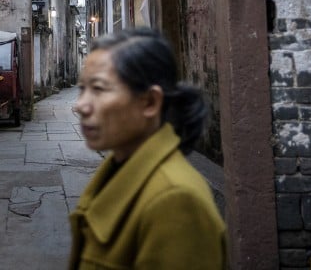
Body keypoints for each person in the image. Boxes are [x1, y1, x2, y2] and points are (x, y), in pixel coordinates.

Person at [68, 28, 227, 270]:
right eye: (82, 89)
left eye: (98, 89)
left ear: (150, 102)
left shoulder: (176, 201)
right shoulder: (119, 170)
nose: (81, 106)